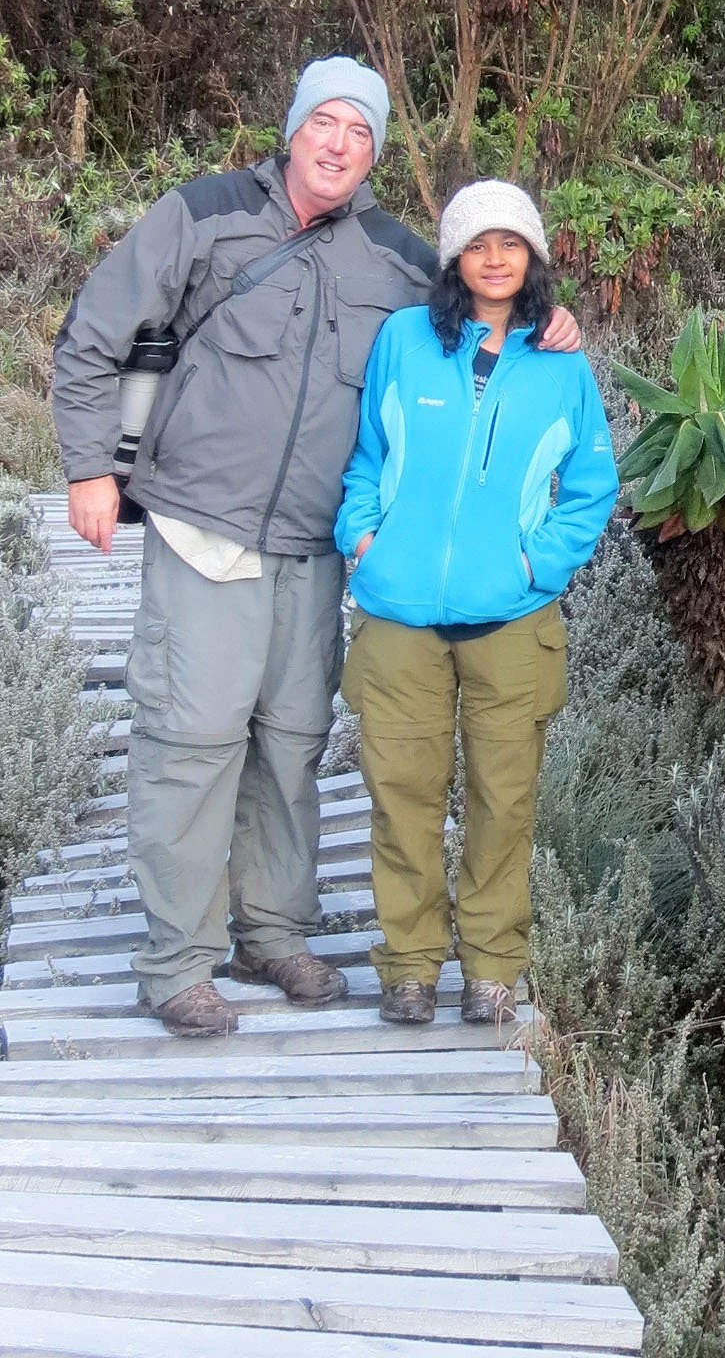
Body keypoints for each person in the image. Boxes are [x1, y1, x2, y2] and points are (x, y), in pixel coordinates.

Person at [51, 59, 582, 1037]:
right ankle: (177, 962)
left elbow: (483, 297)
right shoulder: (204, 215)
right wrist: (90, 467)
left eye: (361, 132)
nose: (339, 144)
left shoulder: (394, 255)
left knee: (291, 741)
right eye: (325, 122)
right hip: (202, 523)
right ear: (292, 128)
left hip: (313, 546)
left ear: (374, 152)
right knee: (192, 738)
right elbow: (92, 331)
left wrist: (550, 318)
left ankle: (272, 931)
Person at [336, 180, 617, 1027]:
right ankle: (409, 966)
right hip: (398, 616)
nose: (494, 259)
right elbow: (366, 453)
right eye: (476, 244)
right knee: (403, 796)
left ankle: (491, 968)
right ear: (453, 259)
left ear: (533, 256)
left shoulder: (562, 362)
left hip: (511, 621)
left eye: (511, 243)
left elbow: (592, 486)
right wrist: (362, 537)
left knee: (504, 802)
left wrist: (538, 564)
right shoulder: (405, 339)